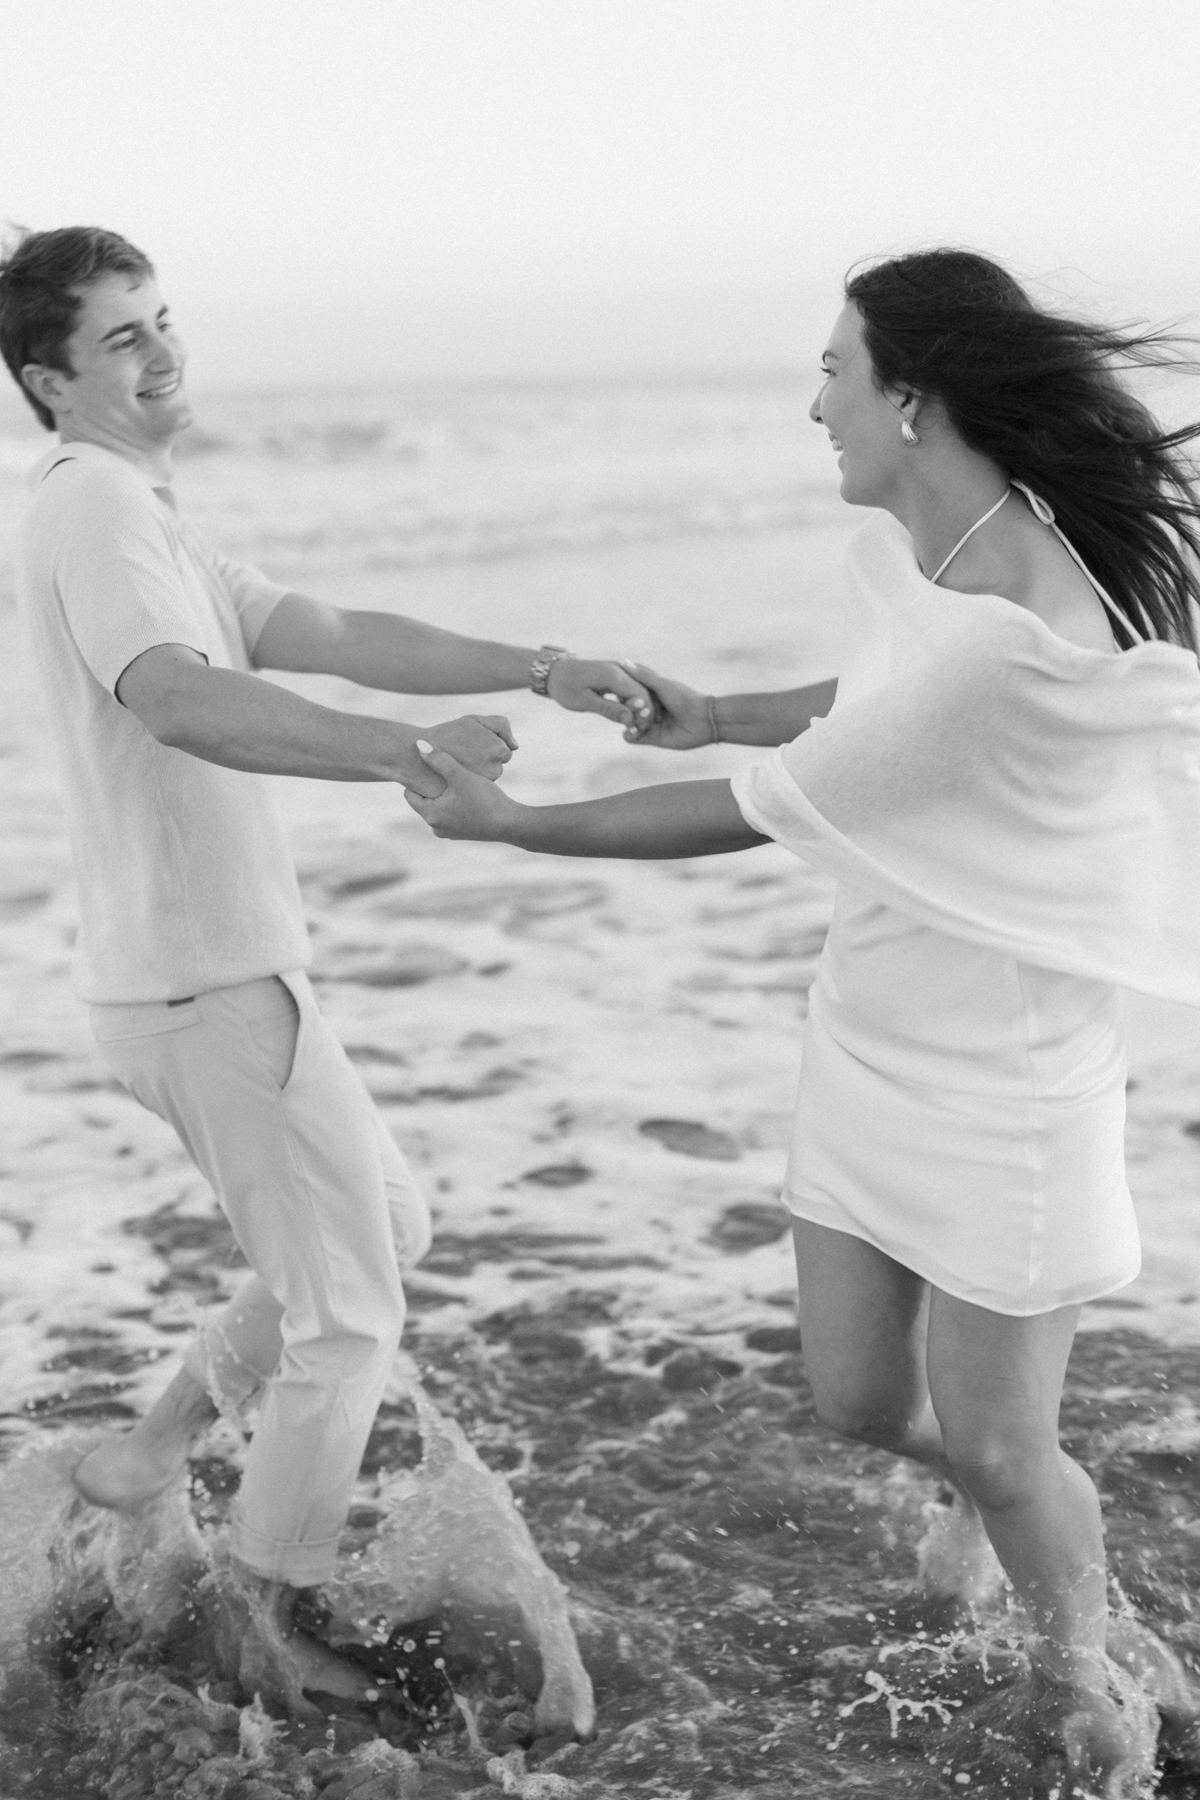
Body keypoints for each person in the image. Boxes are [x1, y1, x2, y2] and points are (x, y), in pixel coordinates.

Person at [402, 249, 1200, 1791]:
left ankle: (1091, 1679)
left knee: (999, 1448)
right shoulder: (971, 559)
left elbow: (761, 814)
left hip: (1004, 1094)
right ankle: (1030, 1519)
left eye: (835, 369)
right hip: (873, 1048)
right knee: (852, 1395)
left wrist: (515, 825)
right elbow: (874, 703)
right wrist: (724, 704)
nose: (814, 400)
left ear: (911, 397)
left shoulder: (1006, 628)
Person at [0, 225, 654, 1706]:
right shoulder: (93, 510)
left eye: (165, 319)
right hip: (205, 985)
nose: (165, 352)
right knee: (350, 1313)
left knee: (388, 1229)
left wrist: (535, 664)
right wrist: (399, 759)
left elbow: (334, 630)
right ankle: (265, 1608)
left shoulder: (141, 508)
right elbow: (179, 701)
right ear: (50, 378)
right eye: (120, 338)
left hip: (213, 979)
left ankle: (149, 1452)